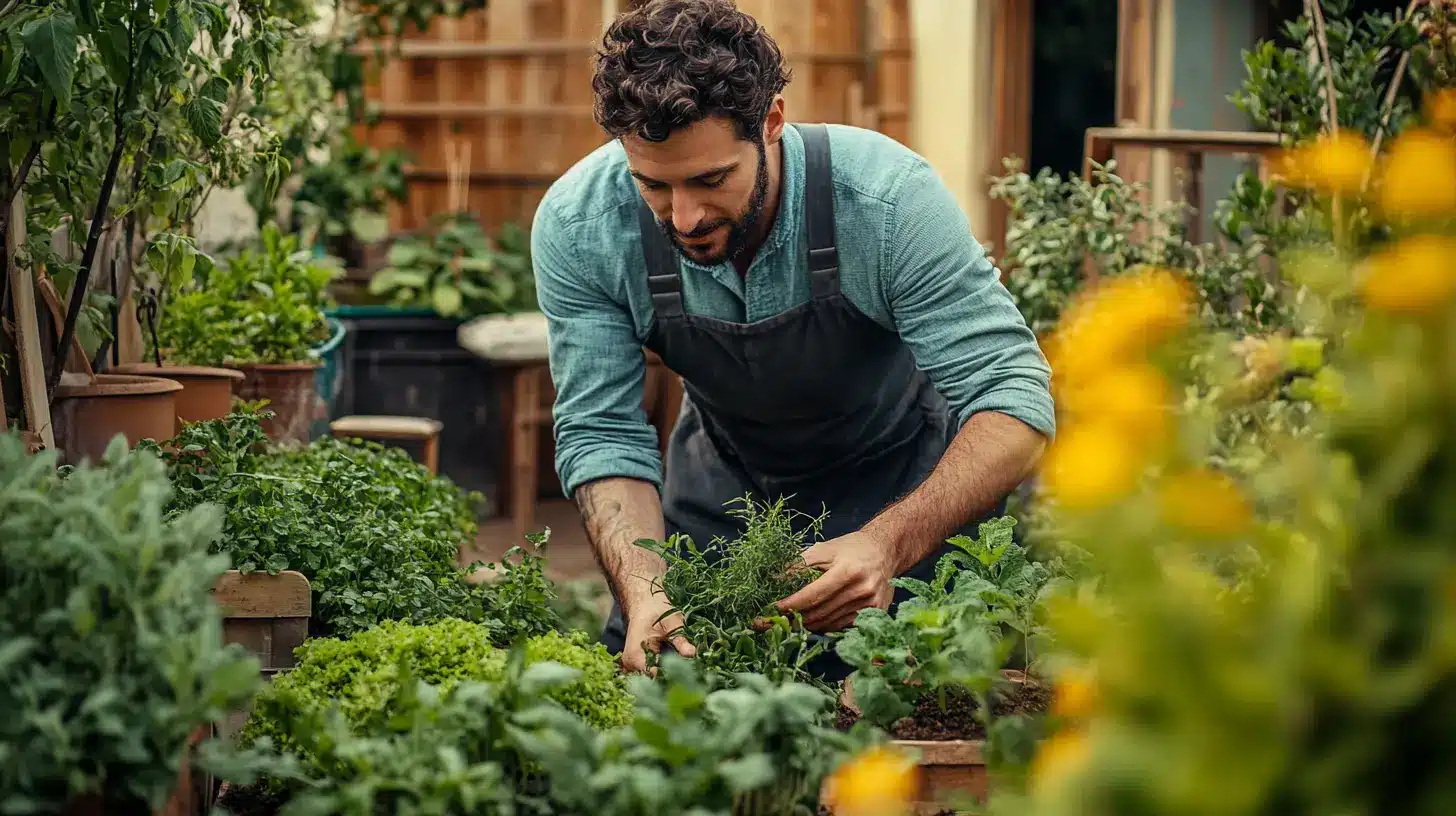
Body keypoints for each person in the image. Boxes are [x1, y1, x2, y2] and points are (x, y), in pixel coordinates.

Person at [532, 0, 1055, 677]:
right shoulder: (582, 227)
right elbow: (602, 430)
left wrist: (886, 545)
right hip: (723, 503)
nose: (683, 217)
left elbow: (1014, 401)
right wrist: (646, 591)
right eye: (652, 186)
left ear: (773, 122)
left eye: (711, 179)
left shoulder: (886, 202)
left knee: (923, 726)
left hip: (905, 494)